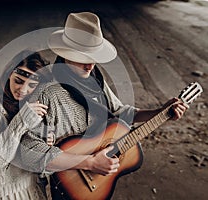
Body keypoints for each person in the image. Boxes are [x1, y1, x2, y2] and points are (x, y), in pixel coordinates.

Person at [16, 12, 189, 199]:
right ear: (65, 54)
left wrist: (160, 112)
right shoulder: (48, 93)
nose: (90, 66)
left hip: (97, 182)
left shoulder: (95, 79)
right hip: (70, 184)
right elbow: (30, 153)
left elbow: (119, 113)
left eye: (93, 58)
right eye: (83, 58)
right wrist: (89, 162)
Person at [0, 50, 53, 200]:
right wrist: (22, 121)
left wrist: (47, 147)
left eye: (32, 85)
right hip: (3, 194)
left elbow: (42, 169)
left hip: (35, 191)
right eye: (18, 81)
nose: (23, 90)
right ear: (8, 76)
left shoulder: (37, 108)